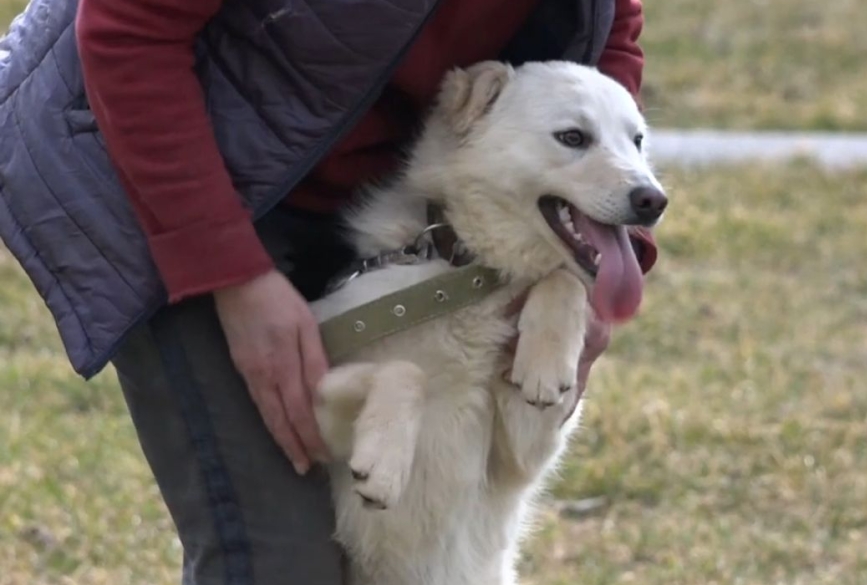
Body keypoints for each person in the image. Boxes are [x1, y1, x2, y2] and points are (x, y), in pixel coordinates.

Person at [0, 0, 657, 582]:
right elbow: (127, 30)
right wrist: (228, 271)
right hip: (166, 161)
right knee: (276, 557)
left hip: (400, 190)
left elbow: (608, 29)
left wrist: (593, 251)